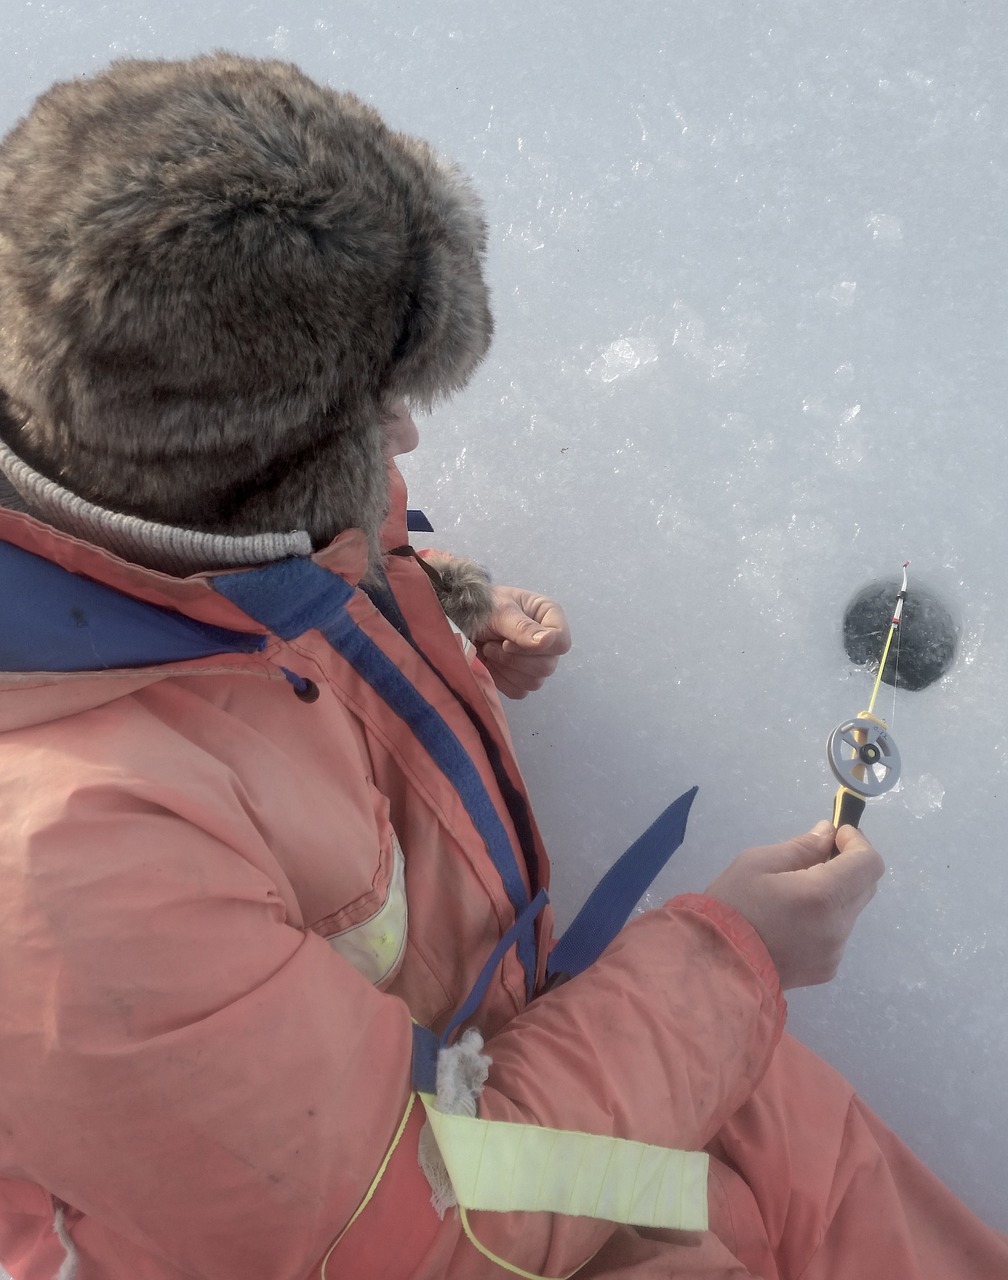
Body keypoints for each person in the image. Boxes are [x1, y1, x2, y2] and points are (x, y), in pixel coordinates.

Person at [0, 52, 1003, 1280]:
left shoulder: (138, 488)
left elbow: (272, 594)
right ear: (232, 467)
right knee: (698, 1237)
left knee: (776, 1131)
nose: (407, 434)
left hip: (463, 1076)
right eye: (368, 415)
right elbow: (424, 1229)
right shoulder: (66, 871)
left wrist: (439, 598)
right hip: (412, 1207)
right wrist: (731, 955)